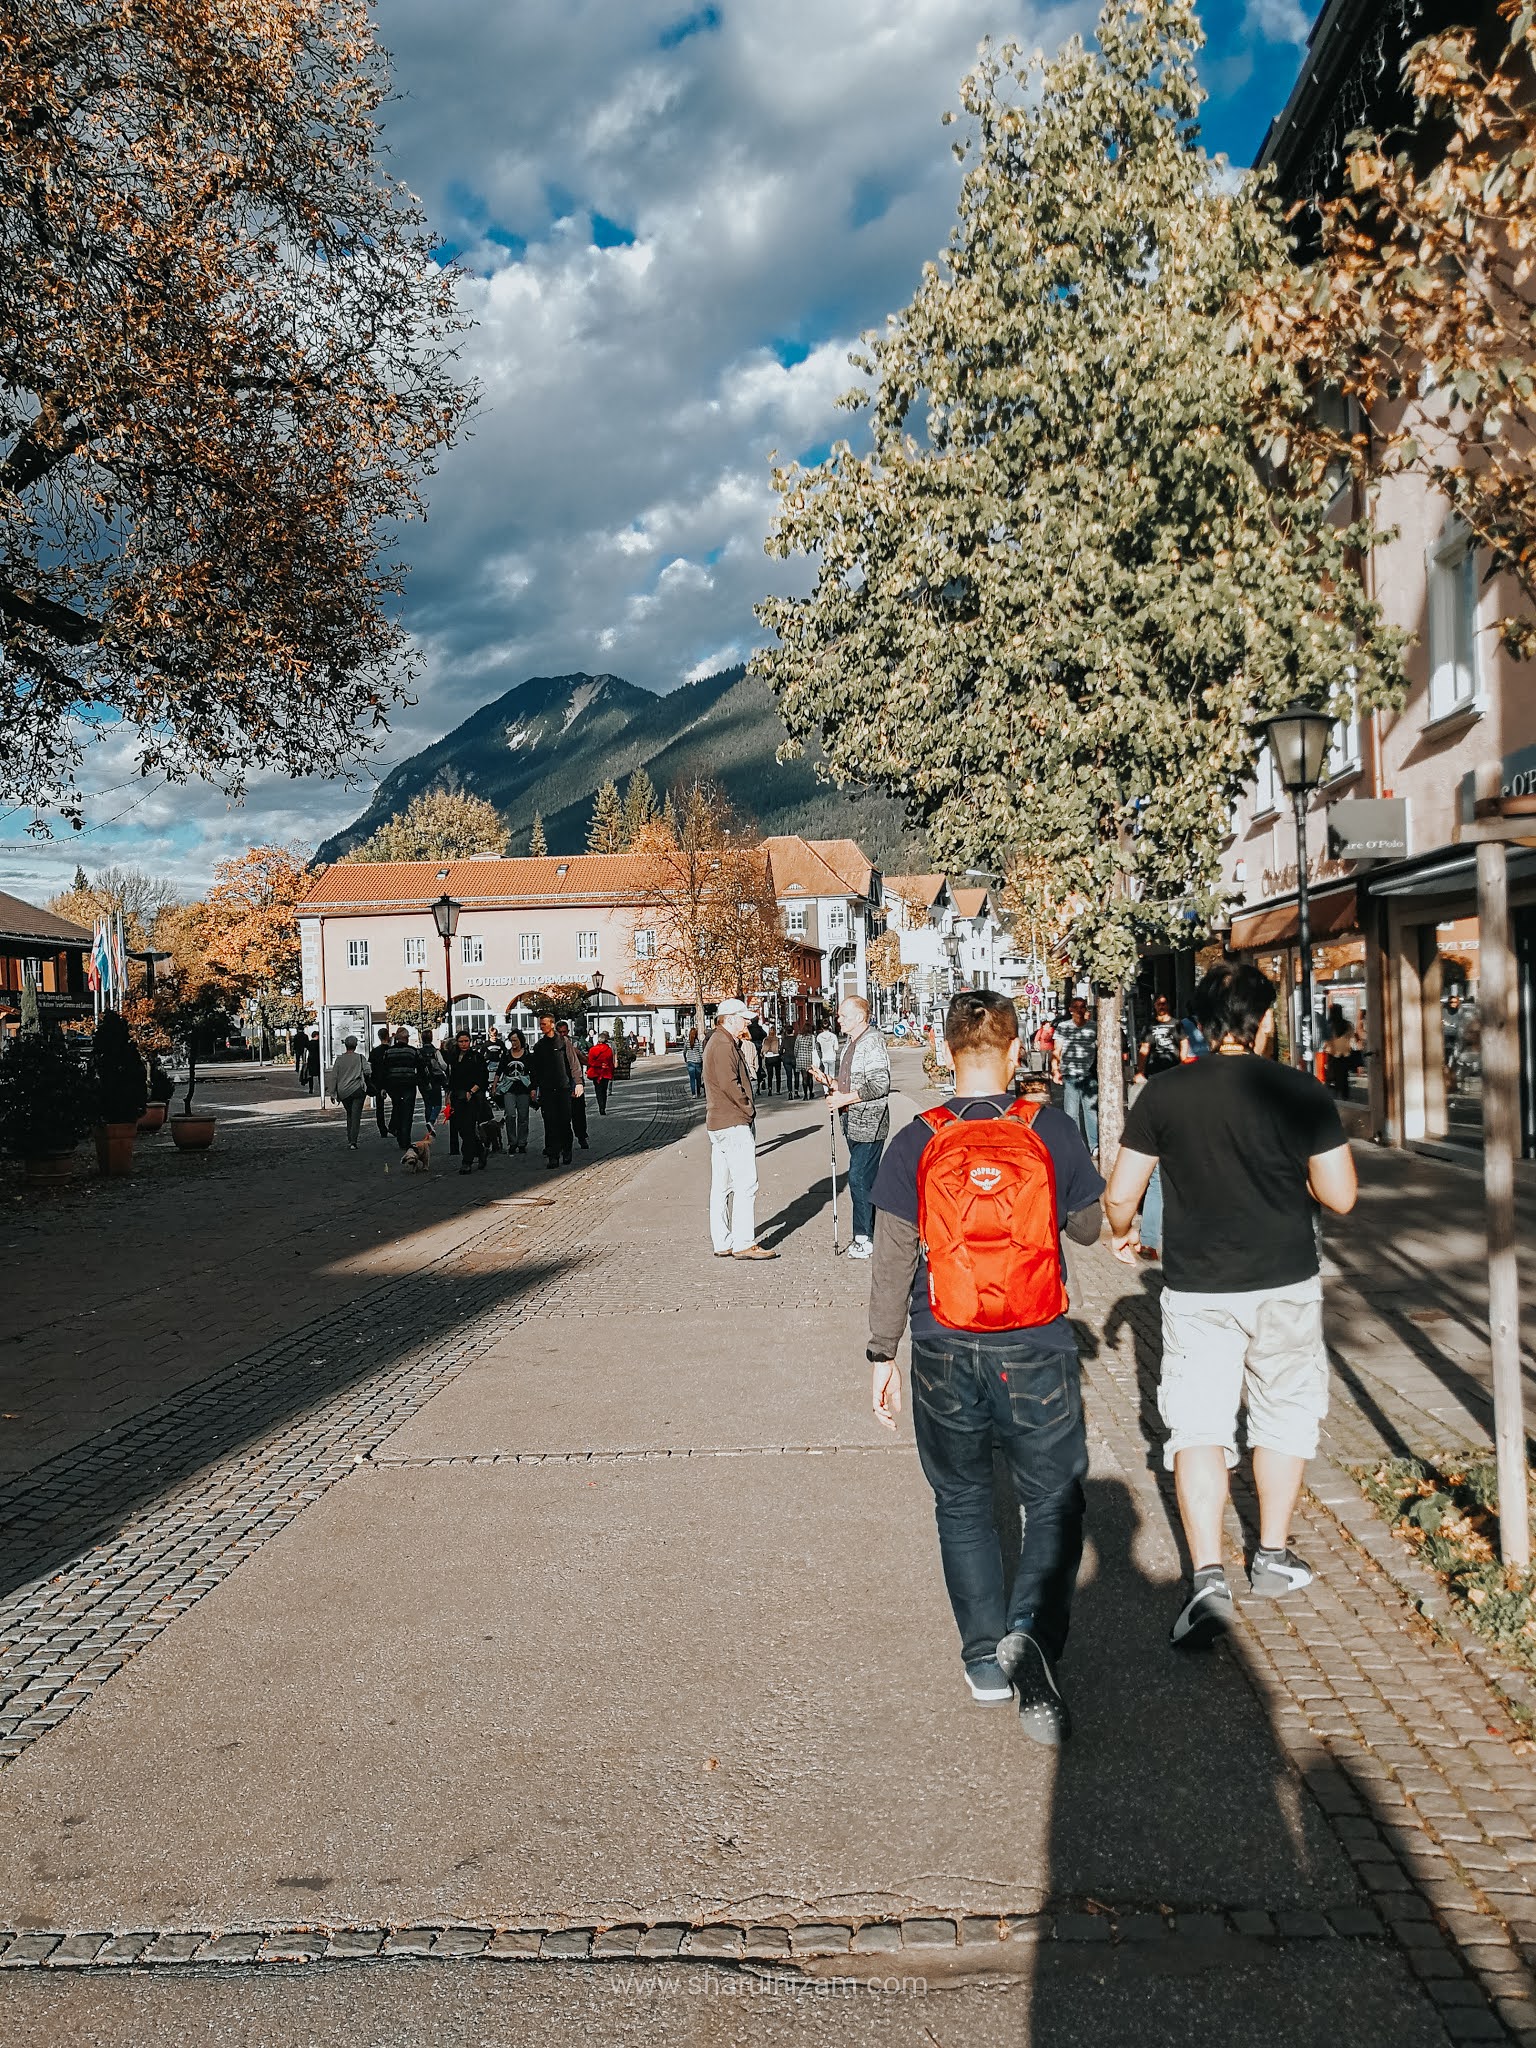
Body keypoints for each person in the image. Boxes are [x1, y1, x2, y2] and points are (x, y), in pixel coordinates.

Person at [868, 990, 1103, 1743]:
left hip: (941, 1341)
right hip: (1036, 1340)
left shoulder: (917, 1139)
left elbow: (893, 1255)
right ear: (1012, 1050)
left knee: (963, 1501)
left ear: (945, 1052)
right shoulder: (1051, 1128)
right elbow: (1092, 1229)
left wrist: (881, 1355)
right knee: (1055, 1497)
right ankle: (1033, 1624)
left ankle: (982, 1658)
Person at [1103, 962, 1358, 1651]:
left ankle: (1209, 1578)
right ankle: (1271, 1558)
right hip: (1285, 1280)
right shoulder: (1302, 1092)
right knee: (1284, 1413)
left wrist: (1125, 1235)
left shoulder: (1164, 1093)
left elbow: (1120, 1195)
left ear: (1202, 1025)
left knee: (1197, 1427)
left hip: (1197, 1289)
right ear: (1266, 1020)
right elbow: (1341, 1196)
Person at [817, 995, 891, 1260]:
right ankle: (875, 1232)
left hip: (870, 1121)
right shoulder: (851, 1043)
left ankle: (865, 1236)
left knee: (858, 1177)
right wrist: (834, 1083)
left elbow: (880, 1084)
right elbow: (853, 1081)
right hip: (853, 1121)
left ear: (859, 1017)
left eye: (843, 1016)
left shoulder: (871, 1043)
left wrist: (844, 1099)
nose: (838, 1020)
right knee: (865, 1180)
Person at [703, 998, 776, 1258]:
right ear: (730, 1018)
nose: (747, 1022)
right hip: (732, 1121)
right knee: (746, 1184)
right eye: (743, 1018)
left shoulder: (719, 1041)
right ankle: (744, 1242)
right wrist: (748, 1108)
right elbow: (729, 1083)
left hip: (720, 1121)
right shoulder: (723, 1044)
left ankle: (723, 1241)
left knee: (722, 1186)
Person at [1133, 995, 1182, 1262]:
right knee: (1160, 1181)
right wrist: (1141, 1072)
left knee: (1159, 1181)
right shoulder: (1149, 1028)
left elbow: (1184, 1050)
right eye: (1158, 1004)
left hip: (1168, 1089)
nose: (1161, 1007)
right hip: (1160, 1085)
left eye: (1165, 1003)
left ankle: (1151, 1240)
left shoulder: (1178, 1026)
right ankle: (1150, 1241)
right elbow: (1143, 1050)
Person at [1052, 997, 1098, 1153]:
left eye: (1082, 1007)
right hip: (1070, 1073)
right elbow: (1057, 1051)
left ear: (1086, 1009)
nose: (1079, 1010)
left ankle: (1094, 1146)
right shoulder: (1063, 1027)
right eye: (1076, 1007)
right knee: (1071, 1113)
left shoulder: (1094, 1027)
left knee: (1091, 1111)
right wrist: (1055, 1070)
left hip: (1089, 1074)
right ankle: (1076, 1146)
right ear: (1070, 1009)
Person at [529, 1012, 574, 1167]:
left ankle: (567, 1149)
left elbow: (572, 1063)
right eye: (541, 1024)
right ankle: (553, 1155)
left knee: (564, 1121)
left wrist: (578, 1082)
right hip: (547, 1089)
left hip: (563, 1087)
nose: (542, 1027)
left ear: (552, 1024)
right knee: (550, 1122)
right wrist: (534, 1087)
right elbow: (535, 1069)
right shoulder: (539, 1046)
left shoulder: (563, 1042)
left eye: (544, 1024)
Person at [448, 1028, 491, 1173]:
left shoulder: (476, 1057)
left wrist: (472, 1091)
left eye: (466, 1041)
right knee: (461, 1128)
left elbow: (483, 1077)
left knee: (468, 1128)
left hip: (472, 1097)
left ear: (470, 1042)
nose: (464, 1044)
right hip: (457, 1097)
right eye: (461, 1041)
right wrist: (448, 1095)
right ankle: (480, 1150)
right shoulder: (454, 1057)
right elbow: (452, 1079)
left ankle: (467, 1161)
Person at [379, 1026, 426, 1154]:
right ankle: (405, 1139)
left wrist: (383, 1086)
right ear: (406, 1038)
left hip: (394, 1085)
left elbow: (384, 1070)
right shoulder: (412, 1051)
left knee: (397, 1108)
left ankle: (399, 1133)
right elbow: (421, 1068)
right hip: (409, 1084)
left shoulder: (389, 1052)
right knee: (407, 1112)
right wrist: (421, 1081)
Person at [325, 1033, 370, 1148]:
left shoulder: (339, 1060)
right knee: (356, 1115)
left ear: (345, 1045)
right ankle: (353, 1141)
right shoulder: (360, 1057)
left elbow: (334, 1076)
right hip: (357, 1089)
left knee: (349, 1114)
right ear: (355, 1045)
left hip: (343, 1091)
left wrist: (332, 1092)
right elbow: (368, 1071)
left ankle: (350, 1137)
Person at [495, 1030, 533, 1152]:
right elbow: (499, 1071)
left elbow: (533, 1072)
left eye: (515, 1040)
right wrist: (495, 1085)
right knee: (510, 1115)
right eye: (511, 1041)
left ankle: (522, 1143)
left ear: (521, 1040)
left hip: (523, 1089)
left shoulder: (527, 1055)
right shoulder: (506, 1055)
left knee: (523, 1116)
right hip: (509, 1088)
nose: (513, 1043)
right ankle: (512, 1141)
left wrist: (533, 1089)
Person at [557, 1020, 589, 1149]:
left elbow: (586, 1060)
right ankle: (559, 1142)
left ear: (568, 1031)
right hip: (560, 1083)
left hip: (574, 1082)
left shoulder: (575, 1042)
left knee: (578, 1112)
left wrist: (577, 1052)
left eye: (565, 1032)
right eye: (560, 1032)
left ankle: (581, 1136)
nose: (563, 1034)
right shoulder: (552, 1043)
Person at [1323, 1005, 1355, 1099]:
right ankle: (1345, 1095)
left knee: (1332, 1075)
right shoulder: (1347, 1025)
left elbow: (1327, 1040)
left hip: (1332, 1054)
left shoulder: (1329, 1025)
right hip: (1345, 1054)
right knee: (1344, 1076)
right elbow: (1351, 1036)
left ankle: (1333, 1095)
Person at [420, 1032, 447, 1135]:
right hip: (435, 1079)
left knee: (428, 1104)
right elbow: (443, 1065)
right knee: (437, 1104)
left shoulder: (419, 1052)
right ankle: (431, 1121)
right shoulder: (435, 1051)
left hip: (423, 1081)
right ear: (431, 1038)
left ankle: (429, 1126)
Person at [369, 1026, 392, 1139]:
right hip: (391, 1079)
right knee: (397, 1103)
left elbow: (371, 1068)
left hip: (377, 1081)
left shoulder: (374, 1052)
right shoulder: (391, 1050)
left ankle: (382, 1129)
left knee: (380, 1107)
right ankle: (394, 1126)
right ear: (387, 1036)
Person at [586, 1031, 615, 1115]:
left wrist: (595, 1066)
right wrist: (611, 1072)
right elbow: (610, 1062)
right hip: (605, 1072)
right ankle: (603, 1107)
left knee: (598, 1090)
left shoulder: (592, 1050)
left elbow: (590, 1062)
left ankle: (600, 1106)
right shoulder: (608, 1050)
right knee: (604, 1090)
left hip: (596, 1073)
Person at [814, 1018, 839, 1098]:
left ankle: (826, 1091)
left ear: (821, 1027)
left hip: (823, 1057)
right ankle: (831, 1088)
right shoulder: (833, 1036)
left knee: (824, 1075)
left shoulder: (819, 1037)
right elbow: (836, 1048)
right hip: (832, 1057)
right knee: (831, 1074)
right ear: (830, 1026)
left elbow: (817, 1048)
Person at [791, 1024, 816, 1100]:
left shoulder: (799, 1037)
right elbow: (813, 1048)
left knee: (804, 1077)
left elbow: (796, 1048)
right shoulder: (811, 1037)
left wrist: (796, 1056)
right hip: (809, 1058)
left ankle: (805, 1095)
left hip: (800, 1058)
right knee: (810, 1077)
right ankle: (811, 1093)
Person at [762, 1023, 783, 1095]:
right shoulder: (777, 1039)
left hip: (768, 1057)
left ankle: (770, 1089)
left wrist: (763, 1054)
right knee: (778, 1074)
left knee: (770, 1075)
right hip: (776, 1057)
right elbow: (780, 1048)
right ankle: (778, 1090)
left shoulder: (766, 1039)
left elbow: (763, 1049)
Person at [684, 1026, 704, 1097]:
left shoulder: (687, 1042)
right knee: (698, 1078)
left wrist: (685, 1059)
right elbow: (701, 1052)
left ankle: (693, 1094)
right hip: (698, 1061)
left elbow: (684, 1051)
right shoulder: (698, 1042)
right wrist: (702, 1060)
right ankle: (698, 1093)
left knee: (692, 1079)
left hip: (690, 1061)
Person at [293, 1026, 310, 1092]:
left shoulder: (296, 1036)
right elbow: (307, 1043)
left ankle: (297, 1068)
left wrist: (294, 1049)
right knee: (304, 1060)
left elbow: (294, 1043)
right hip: (304, 1049)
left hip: (298, 1049)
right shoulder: (305, 1036)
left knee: (297, 1059)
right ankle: (303, 1067)